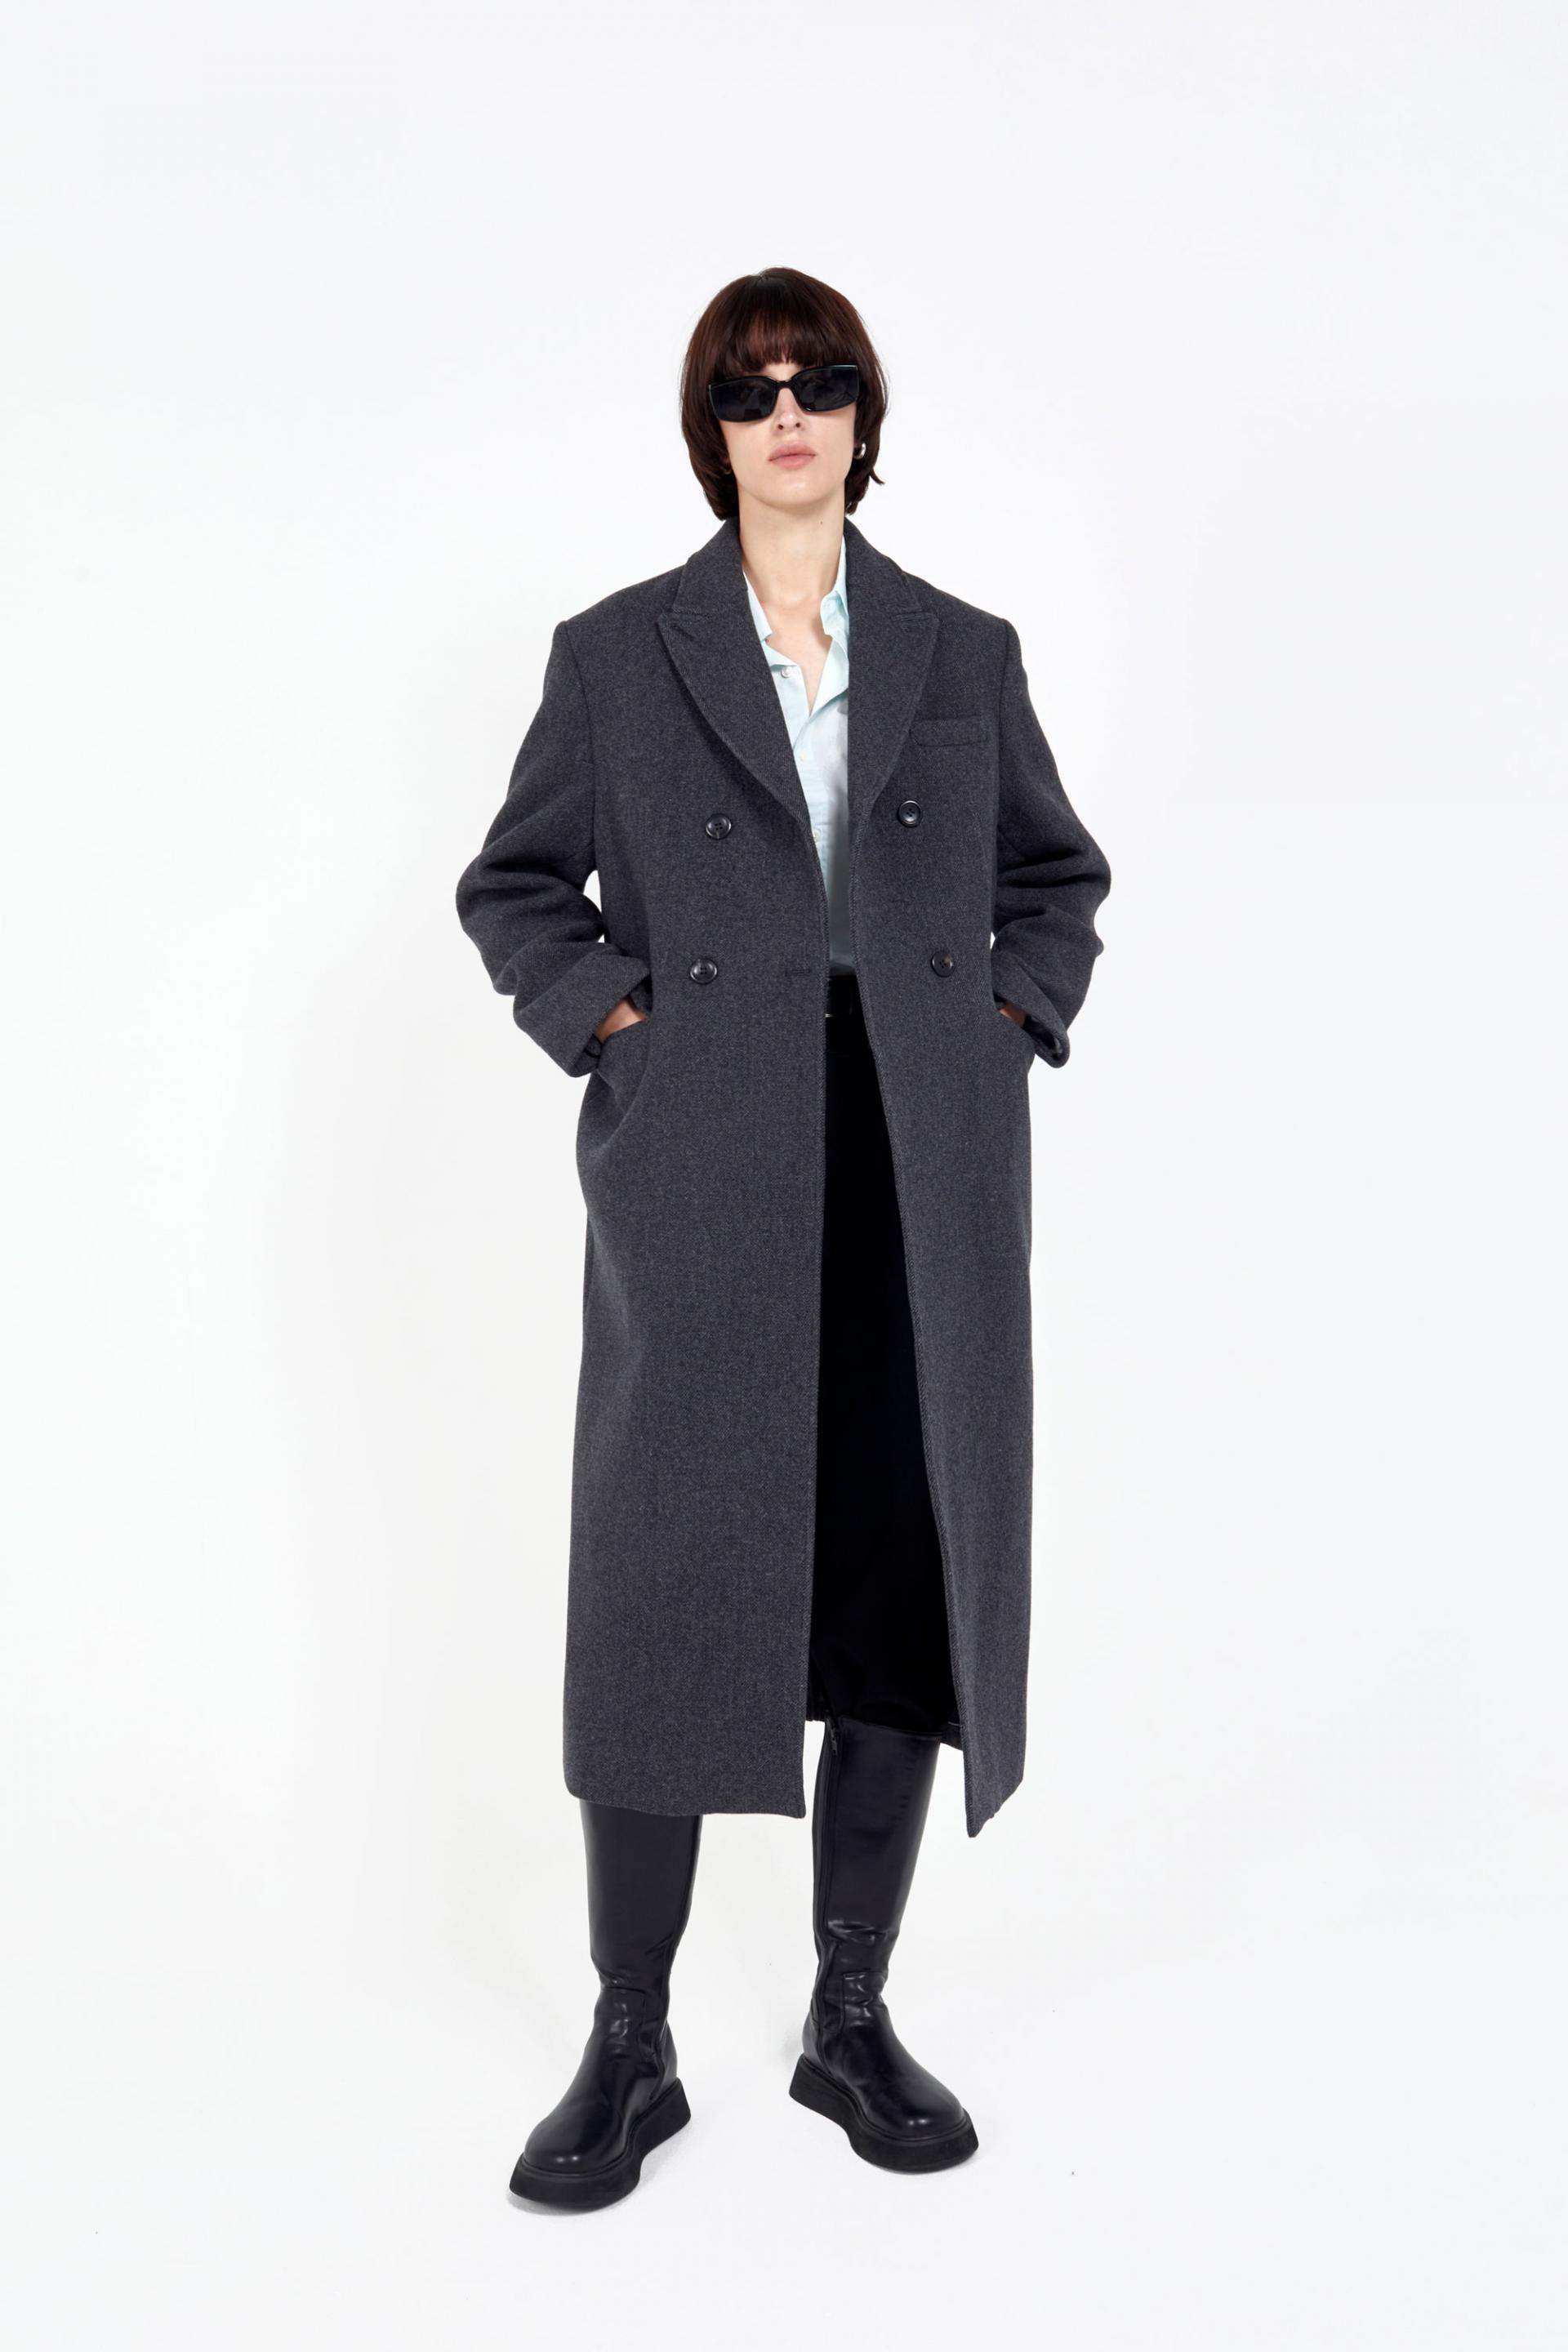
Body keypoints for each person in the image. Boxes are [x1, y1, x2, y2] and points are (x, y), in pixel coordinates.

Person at [454, 266, 1111, 2206]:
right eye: (752, 393)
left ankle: (848, 2014)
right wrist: (615, 1024)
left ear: (863, 418)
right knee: (666, 1571)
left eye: (820, 382)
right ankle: (630, 2042)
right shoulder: (617, 654)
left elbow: (1056, 877)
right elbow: (515, 886)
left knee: (901, 1564)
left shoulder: (961, 652)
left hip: (920, 1152)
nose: (790, 414)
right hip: (704, 1154)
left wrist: (1002, 1019)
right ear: (714, 434)